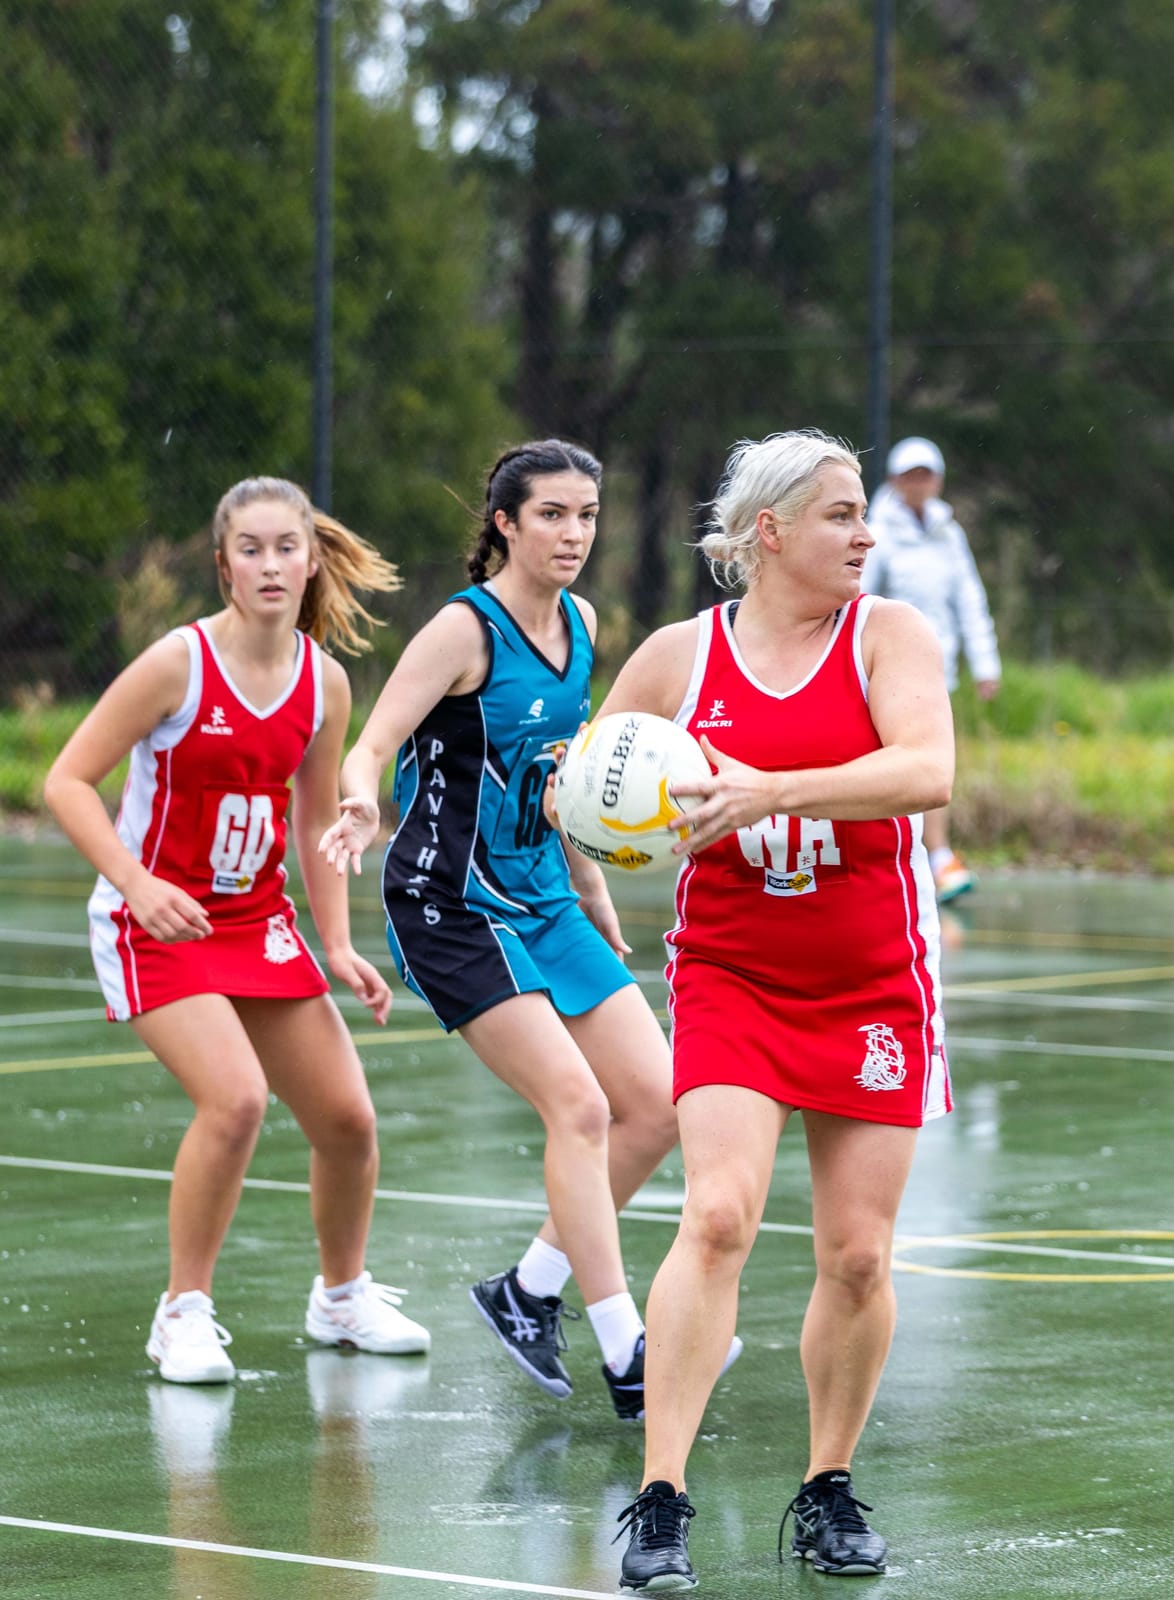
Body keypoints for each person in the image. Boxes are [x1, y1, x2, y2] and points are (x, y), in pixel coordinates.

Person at [320, 439, 735, 1419]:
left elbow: (563, 780)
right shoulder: (463, 632)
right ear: (504, 522)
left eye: (587, 515)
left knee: (655, 1103)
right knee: (580, 1108)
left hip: (544, 895)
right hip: (449, 904)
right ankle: (628, 1349)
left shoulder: (583, 625)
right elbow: (371, 743)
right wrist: (357, 804)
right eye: (552, 514)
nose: (574, 533)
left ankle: (528, 1290)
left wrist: (591, 893)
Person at [604, 430, 952, 1593]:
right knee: (716, 1215)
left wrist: (772, 785)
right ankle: (661, 1497)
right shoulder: (677, 657)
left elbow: (926, 770)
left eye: (864, 514)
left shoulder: (887, 635)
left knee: (856, 1253)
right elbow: (598, 787)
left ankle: (827, 1484)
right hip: (730, 973)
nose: (865, 534)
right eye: (841, 514)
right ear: (767, 532)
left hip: (869, 981)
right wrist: (606, 823)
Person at [44, 476, 431, 1384]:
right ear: (222, 566)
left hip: (255, 920)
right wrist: (135, 885)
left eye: (284, 548)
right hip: (158, 922)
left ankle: (340, 1298)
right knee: (238, 1100)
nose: (268, 564)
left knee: (347, 1119)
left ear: (310, 560)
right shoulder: (176, 665)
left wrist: (335, 943)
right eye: (249, 549)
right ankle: (182, 1311)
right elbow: (66, 781)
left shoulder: (323, 683)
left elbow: (315, 820)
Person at [862, 433, 998, 902]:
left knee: (932, 762)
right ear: (896, 480)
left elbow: (969, 599)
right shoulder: (875, 529)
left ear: (937, 480)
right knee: (897, 762)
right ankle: (922, 858)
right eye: (909, 475)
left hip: (936, 671)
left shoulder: (949, 532)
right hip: (883, 673)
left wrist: (986, 664)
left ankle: (933, 857)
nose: (918, 484)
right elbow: (859, 597)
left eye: (926, 475)